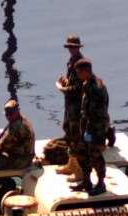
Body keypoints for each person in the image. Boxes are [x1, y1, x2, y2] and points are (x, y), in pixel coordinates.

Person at [70, 58, 110, 196]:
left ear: (85, 71)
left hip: (95, 128)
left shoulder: (96, 88)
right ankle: (86, 181)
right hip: (86, 126)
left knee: (95, 155)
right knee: (81, 152)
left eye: (78, 73)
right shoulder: (87, 83)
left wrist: (89, 130)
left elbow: (94, 113)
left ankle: (101, 183)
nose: (78, 76)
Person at [55, 34, 85, 179]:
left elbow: (79, 88)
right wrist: (65, 81)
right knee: (67, 131)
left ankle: (79, 170)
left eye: (74, 47)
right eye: (69, 47)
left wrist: (62, 88)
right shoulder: (71, 61)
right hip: (69, 106)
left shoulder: (80, 63)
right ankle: (71, 164)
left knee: (76, 137)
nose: (71, 49)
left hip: (77, 107)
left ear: (78, 47)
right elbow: (73, 82)